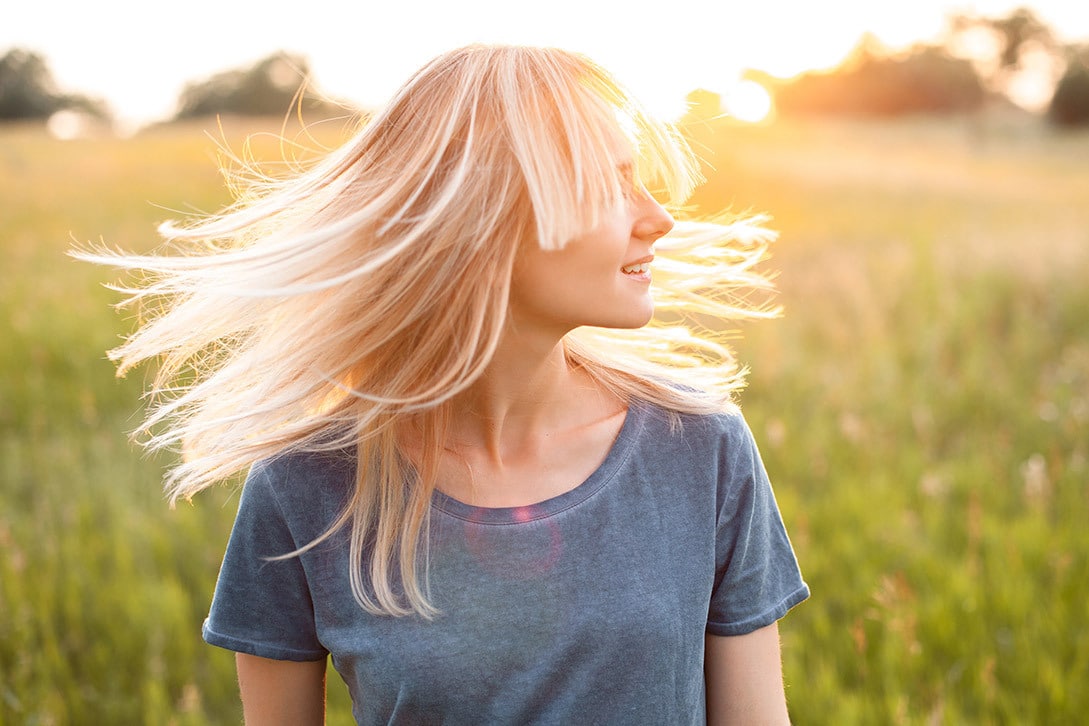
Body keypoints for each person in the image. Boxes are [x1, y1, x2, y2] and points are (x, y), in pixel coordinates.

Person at [83, 44, 808, 724]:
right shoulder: (303, 487)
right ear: (485, 218)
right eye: (611, 184)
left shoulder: (699, 447)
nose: (659, 217)